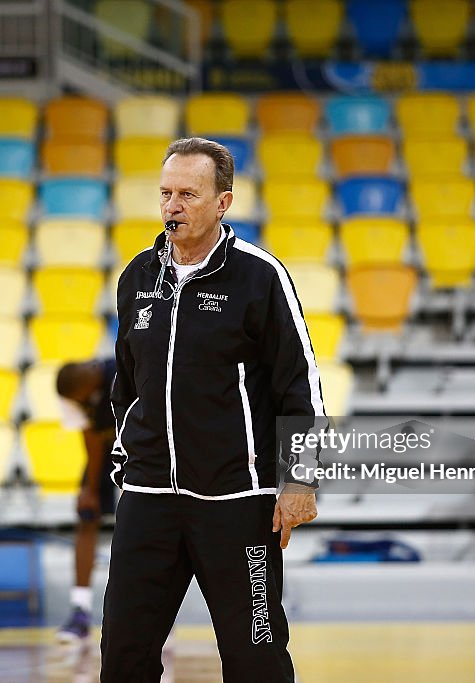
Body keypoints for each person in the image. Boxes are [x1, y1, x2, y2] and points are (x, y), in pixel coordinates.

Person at [101, 137, 323, 682]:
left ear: (222, 202)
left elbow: (301, 385)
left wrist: (299, 480)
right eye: (165, 194)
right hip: (150, 496)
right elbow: (126, 385)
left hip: (237, 500)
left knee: (256, 653)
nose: (173, 206)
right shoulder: (136, 278)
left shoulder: (259, 275)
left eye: (188, 195)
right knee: (124, 652)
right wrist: (125, 464)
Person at [54, 359, 119, 642]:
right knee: (86, 517)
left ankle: (154, 613)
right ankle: (80, 610)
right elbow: (90, 439)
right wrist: (90, 489)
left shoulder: (122, 370)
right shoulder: (70, 394)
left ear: (93, 379)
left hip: (142, 447)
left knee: (143, 524)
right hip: (104, 453)